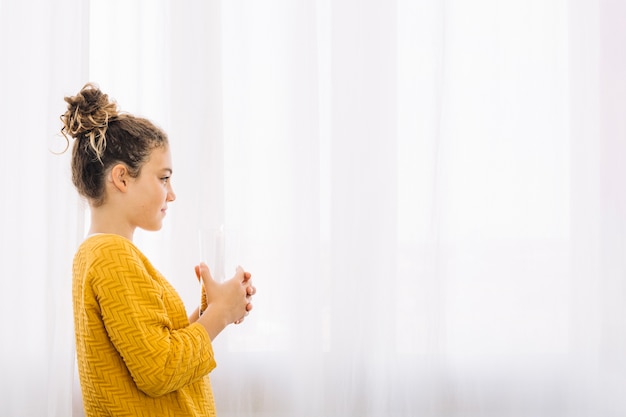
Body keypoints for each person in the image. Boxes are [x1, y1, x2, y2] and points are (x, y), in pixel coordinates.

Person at [60, 83, 255, 417]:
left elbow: (147, 350)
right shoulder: (112, 256)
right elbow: (160, 369)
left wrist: (210, 311)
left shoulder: (96, 253)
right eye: (163, 178)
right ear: (121, 178)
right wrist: (220, 316)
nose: (172, 194)